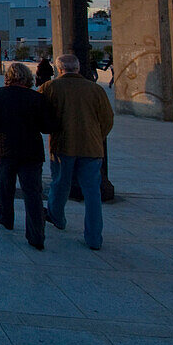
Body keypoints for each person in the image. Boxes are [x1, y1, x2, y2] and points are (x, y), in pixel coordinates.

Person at [40, 54, 114, 250]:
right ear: (78, 68)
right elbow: (107, 119)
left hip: (63, 146)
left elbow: (39, 113)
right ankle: (94, 237)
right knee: (92, 193)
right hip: (91, 148)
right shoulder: (96, 90)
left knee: (60, 184)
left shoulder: (50, 88)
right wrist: (97, 136)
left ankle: (57, 218)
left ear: (59, 69)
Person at [0, 63, 50, 250]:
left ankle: (6, 218)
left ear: (9, 77)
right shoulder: (37, 98)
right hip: (31, 151)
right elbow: (46, 126)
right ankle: (36, 235)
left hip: (5, 149)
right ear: (28, 77)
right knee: (33, 193)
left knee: (5, 187)